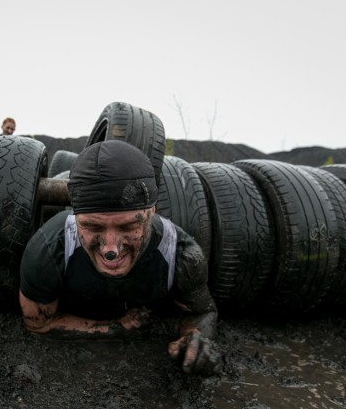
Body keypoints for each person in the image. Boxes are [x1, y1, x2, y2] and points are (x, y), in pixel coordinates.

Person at [19, 140, 220, 374]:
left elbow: (201, 311)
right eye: (93, 226)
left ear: (152, 211)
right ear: (75, 216)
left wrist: (195, 338)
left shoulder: (182, 254)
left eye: (127, 227)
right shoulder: (48, 249)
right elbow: (38, 323)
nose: (110, 249)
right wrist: (116, 328)